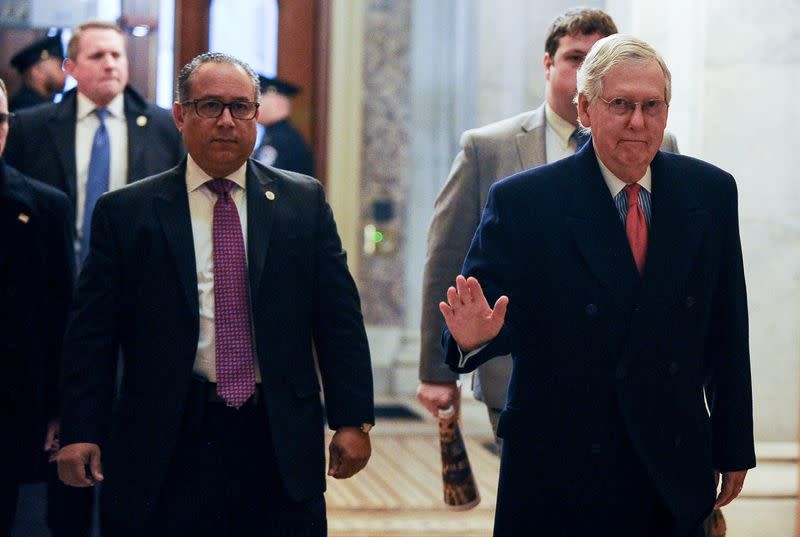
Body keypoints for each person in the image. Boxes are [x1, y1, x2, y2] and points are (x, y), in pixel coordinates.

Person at [439, 34, 754, 536]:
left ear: (667, 112)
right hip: (561, 464)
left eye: (652, 106)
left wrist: (734, 443)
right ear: (585, 109)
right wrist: (473, 338)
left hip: (671, 457)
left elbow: (726, 327)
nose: (638, 121)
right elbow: (485, 321)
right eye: (621, 105)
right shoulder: (524, 202)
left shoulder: (710, 192)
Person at [53, 52, 374, 537]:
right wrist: (81, 429)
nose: (227, 121)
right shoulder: (127, 212)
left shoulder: (302, 202)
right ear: (181, 115)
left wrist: (353, 419)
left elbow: (337, 319)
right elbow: (93, 333)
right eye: (210, 106)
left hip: (276, 434)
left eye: (241, 107)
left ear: (257, 114)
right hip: (167, 435)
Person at [419, 7, 678, 431]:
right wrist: (437, 370)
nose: (587, 69)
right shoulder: (489, 148)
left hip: (634, 374)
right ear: (548, 64)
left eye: (598, 59)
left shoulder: (658, 143)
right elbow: (447, 260)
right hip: (521, 371)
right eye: (577, 58)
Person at [4, 20, 184, 263]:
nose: (109, 64)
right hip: (55, 271)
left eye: (116, 55)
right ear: (71, 67)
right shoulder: (30, 127)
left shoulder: (165, 127)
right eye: (97, 56)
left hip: (139, 275)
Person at [0, 78, 74, 537]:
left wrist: (61, 408)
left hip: (10, 412)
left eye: (0, 119)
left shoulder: (44, 207)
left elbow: (61, 317)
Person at [252, 74, 314, 176]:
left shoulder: (282, 138)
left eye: (259, 97)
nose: (254, 105)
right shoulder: (277, 134)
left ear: (275, 98)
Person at [8, 33, 66, 111]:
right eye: (59, 67)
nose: (66, 74)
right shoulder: (25, 110)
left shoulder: (45, 104)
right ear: (37, 72)